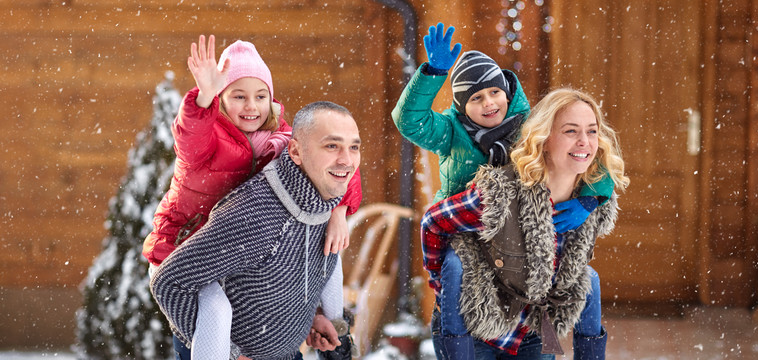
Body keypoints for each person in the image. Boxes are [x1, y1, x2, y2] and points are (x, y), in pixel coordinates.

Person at [391, 23, 614, 358]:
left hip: (518, 236)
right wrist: (433, 73)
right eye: (476, 98)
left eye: (494, 92)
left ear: (508, 93)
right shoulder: (450, 132)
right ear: (462, 106)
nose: (488, 103)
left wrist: (592, 196)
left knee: (588, 281)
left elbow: (584, 156)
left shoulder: (528, 127)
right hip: (469, 226)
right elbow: (410, 121)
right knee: (455, 269)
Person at [142, 35, 361, 359]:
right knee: (214, 308)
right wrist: (203, 98)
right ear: (221, 98)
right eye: (239, 96)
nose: (251, 106)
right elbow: (189, 135)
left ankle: (336, 335)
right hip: (184, 239)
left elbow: (335, 160)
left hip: (234, 251)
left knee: (328, 253)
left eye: (260, 96)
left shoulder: (281, 140)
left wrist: (339, 211)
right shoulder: (209, 138)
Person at [421, 87, 630, 360]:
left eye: (591, 131)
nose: (584, 141)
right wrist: (441, 285)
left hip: (531, 330)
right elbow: (433, 223)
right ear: (544, 139)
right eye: (570, 131)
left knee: (591, 279)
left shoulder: (591, 198)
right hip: (474, 327)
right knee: (454, 263)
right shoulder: (501, 194)